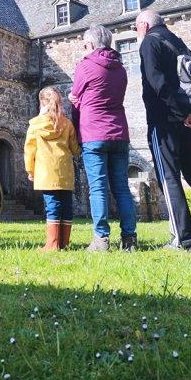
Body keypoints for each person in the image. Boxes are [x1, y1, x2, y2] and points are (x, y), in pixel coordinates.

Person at [135, 10, 191, 251]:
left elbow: (157, 83)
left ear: (144, 25)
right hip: (187, 122)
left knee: (169, 178)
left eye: (136, 27)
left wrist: (181, 114)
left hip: (164, 122)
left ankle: (184, 239)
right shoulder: (178, 42)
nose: (137, 32)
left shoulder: (150, 42)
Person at [69, 24, 137, 252]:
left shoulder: (85, 66)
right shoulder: (121, 68)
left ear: (89, 45)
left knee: (98, 188)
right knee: (121, 188)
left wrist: (75, 107)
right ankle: (129, 239)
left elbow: (76, 98)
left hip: (93, 133)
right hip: (119, 132)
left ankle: (101, 239)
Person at [24, 87, 81, 251]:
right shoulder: (67, 124)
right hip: (65, 170)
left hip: (46, 171)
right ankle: (64, 243)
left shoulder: (35, 125)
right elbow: (75, 149)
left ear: (42, 103)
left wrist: (30, 170)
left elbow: (30, 150)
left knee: (52, 206)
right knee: (66, 205)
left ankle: (52, 243)